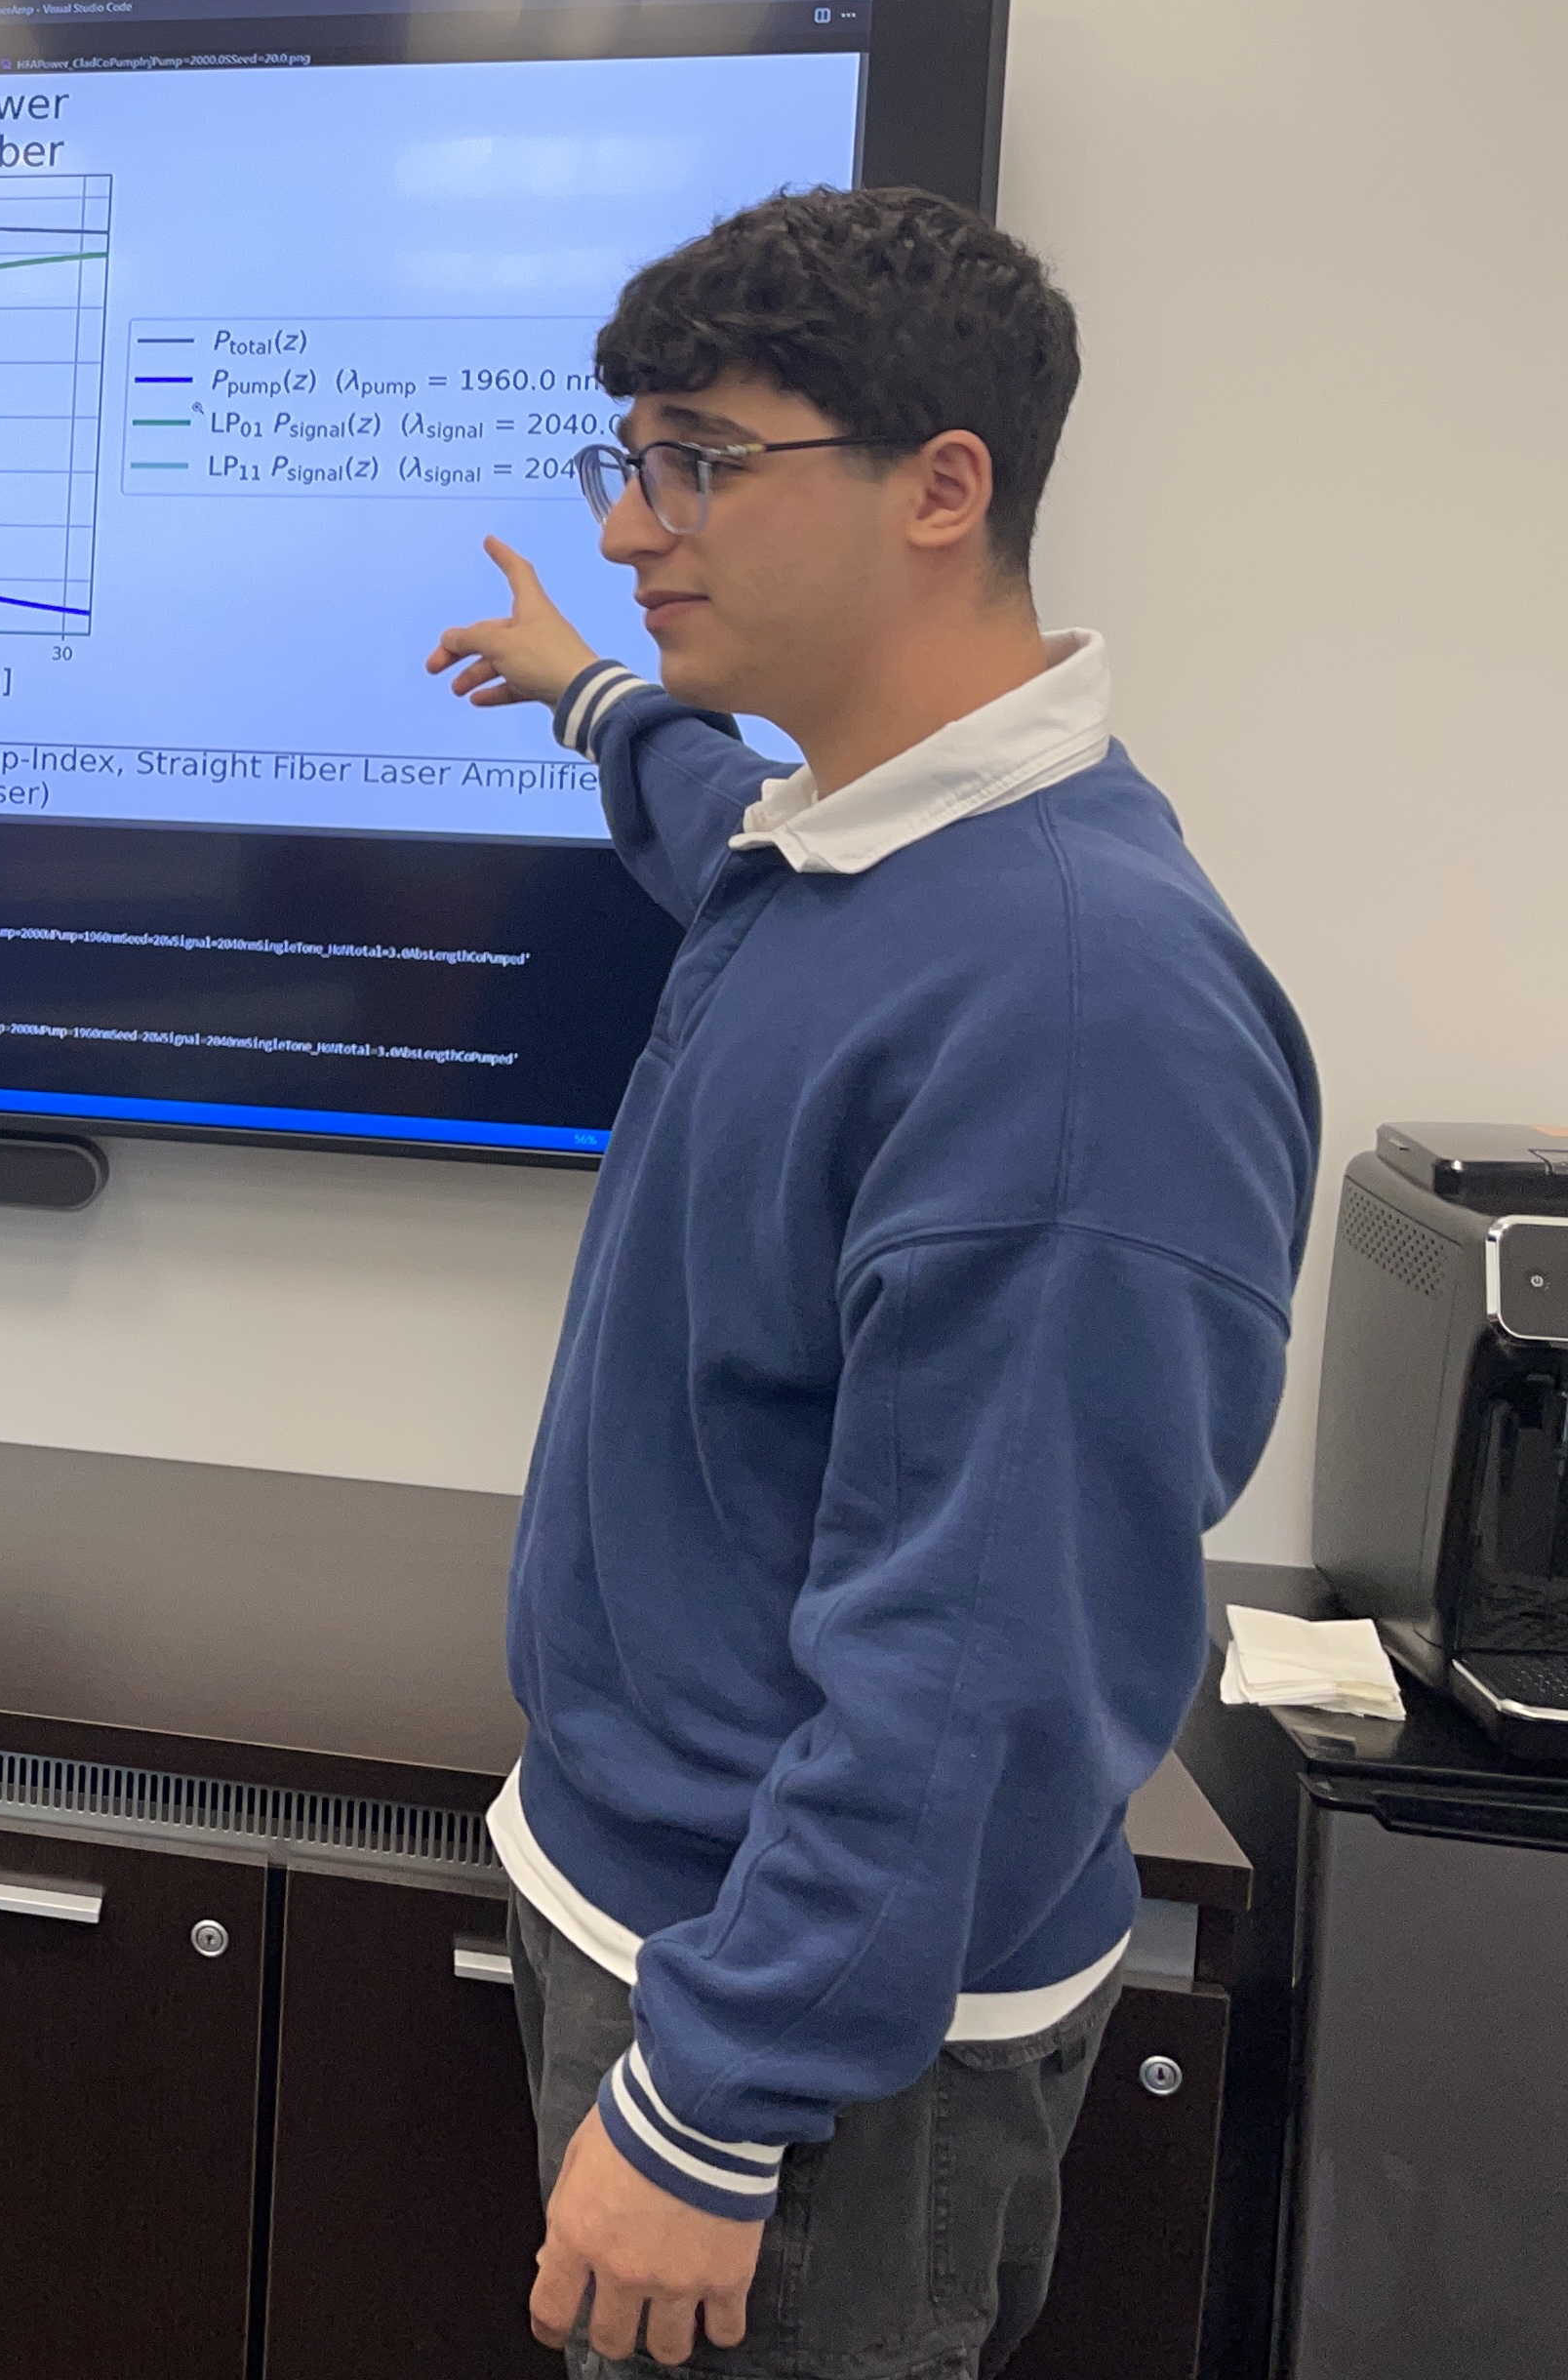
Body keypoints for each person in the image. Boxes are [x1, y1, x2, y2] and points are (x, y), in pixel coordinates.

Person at [419, 189, 1315, 2378]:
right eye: (628, 459)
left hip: (814, 2046)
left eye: (702, 463)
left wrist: (717, 2098)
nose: (630, 525)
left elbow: (994, 1654)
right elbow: (709, 817)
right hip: (686, 1918)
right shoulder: (847, 849)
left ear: (942, 489)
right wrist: (586, 694)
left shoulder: (1081, 1013)